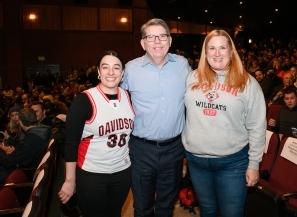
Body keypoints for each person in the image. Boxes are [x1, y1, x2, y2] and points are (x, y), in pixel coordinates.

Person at [181, 29, 266, 217]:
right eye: (212, 48)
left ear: (231, 51)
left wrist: (254, 164)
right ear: (205, 52)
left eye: (222, 48)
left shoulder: (248, 83)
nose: (217, 53)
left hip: (232, 163)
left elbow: (257, 127)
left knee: (232, 213)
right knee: (208, 210)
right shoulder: (192, 78)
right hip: (196, 161)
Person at [120, 18, 191, 217]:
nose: (157, 41)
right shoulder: (130, 69)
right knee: (142, 207)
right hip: (141, 150)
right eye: (151, 37)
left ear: (170, 41)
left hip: (174, 150)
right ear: (143, 43)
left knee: (166, 206)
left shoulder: (183, 65)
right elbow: (116, 102)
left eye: (162, 36)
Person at [58, 50, 135, 217]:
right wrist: (70, 180)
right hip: (92, 173)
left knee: (115, 213)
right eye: (105, 67)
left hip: (122, 171)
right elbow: (70, 143)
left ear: (122, 73)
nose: (111, 72)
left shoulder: (129, 97)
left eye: (116, 67)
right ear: (98, 72)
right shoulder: (84, 100)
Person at [0, 108, 50, 183]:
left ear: (20, 122)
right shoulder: (44, 129)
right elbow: (23, 145)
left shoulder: (29, 141)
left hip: (24, 171)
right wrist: (9, 139)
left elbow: (7, 162)